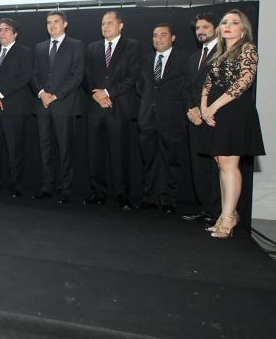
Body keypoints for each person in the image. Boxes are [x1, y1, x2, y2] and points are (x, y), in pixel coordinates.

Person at [199, 9, 265, 238]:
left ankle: (227, 220)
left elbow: (243, 82)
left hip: (235, 111)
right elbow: (207, 84)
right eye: (225, 22)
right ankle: (228, 213)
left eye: (234, 22)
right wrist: (204, 108)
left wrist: (214, 107)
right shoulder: (218, 53)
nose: (227, 26)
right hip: (216, 111)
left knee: (229, 164)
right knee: (221, 163)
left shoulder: (248, 49)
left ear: (243, 29)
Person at [82, 11, 141, 211]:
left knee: (119, 154)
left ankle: (121, 195)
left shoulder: (132, 46)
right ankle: (98, 192)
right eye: (103, 24)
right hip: (95, 108)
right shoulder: (92, 47)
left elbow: (132, 76)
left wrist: (107, 93)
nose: (105, 27)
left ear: (120, 25)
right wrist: (97, 95)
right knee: (94, 154)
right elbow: (86, 75)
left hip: (119, 107)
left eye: (109, 23)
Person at [30, 10, 85, 203]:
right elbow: (33, 75)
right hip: (43, 105)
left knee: (65, 149)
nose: (52, 25)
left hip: (64, 105)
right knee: (45, 149)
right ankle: (47, 186)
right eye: (49, 22)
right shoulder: (40, 47)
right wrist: (41, 93)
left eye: (56, 21)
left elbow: (77, 76)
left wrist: (55, 95)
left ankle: (65, 188)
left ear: (65, 24)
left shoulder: (76, 45)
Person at [136, 23, 189, 215]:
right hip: (147, 118)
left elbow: (186, 87)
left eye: (163, 35)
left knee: (171, 161)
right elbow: (140, 86)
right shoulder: (145, 59)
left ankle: (168, 199)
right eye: (155, 35)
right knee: (149, 159)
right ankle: (149, 197)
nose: (158, 39)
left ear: (173, 38)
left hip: (172, 118)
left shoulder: (183, 59)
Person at [0, 19, 32, 197]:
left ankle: (15, 185)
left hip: (14, 109)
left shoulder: (24, 52)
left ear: (15, 34)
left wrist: (0, 94)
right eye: (0, 30)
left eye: (6, 30)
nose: (2, 33)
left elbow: (23, 78)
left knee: (14, 150)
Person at [182, 13, 221, 222]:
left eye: (205, 27)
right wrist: (191, 109)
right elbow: (187, 87)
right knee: (199, 165)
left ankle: (220, 212)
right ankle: (206, 208)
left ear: (216, 28)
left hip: (215, 117)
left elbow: (223, 87)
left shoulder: (224, 53)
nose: (201, 31)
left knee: (217, 166)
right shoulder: (193, 57)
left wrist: (203, 109)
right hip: (195, 119)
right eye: (197, 28)